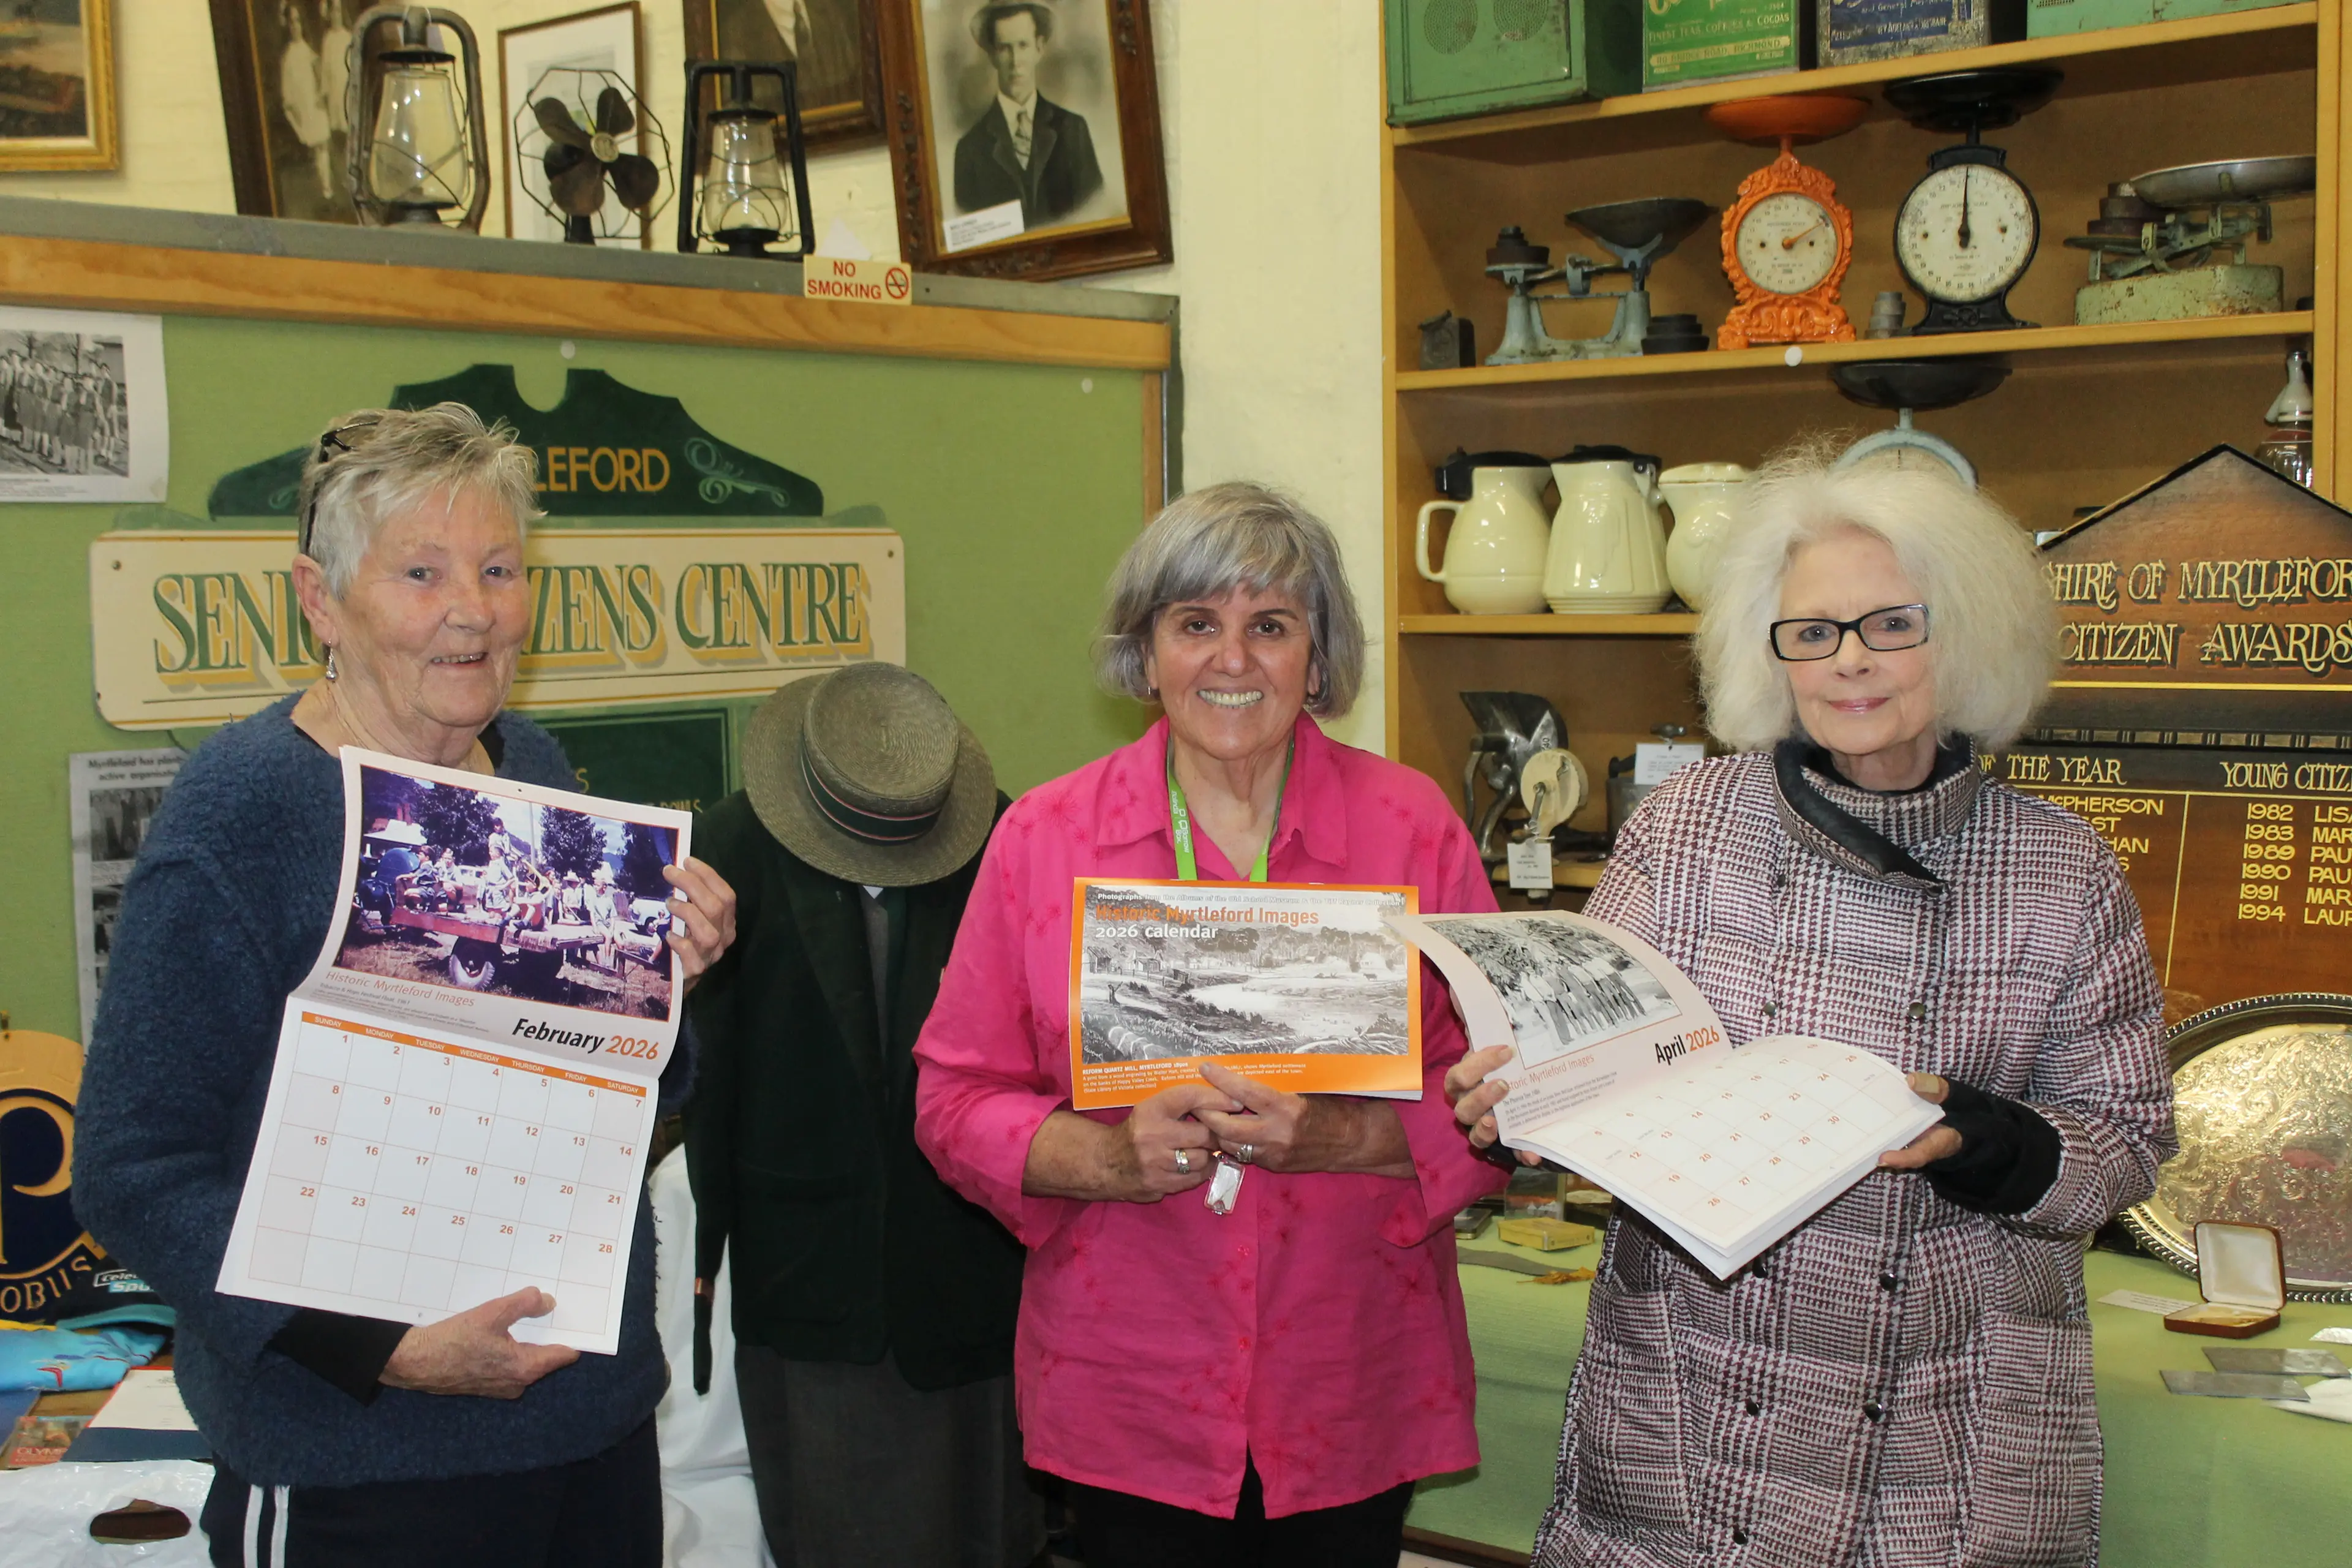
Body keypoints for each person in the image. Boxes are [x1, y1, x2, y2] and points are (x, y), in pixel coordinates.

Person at [1446, 451, 2175, 1568]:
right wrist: (1521, 1096)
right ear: (1767, 651)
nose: (1848, 663)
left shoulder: (2059, 869)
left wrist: (1984, 1142)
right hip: (1693, 1404)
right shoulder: (1683, 829)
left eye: (1891, 625)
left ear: (1968, 631)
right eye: (1812, 632)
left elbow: (2125, 1143)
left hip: (1948, 1429)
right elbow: (1604, 1055)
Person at [74, 403, 739, 1568]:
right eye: (422, 573)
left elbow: (607, 1090)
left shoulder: (530, 771)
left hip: (589, 1430)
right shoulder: (243, 815)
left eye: (496, 569)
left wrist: (670, 980)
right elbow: (134, 1171)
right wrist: (372, 1342)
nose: (472, 610)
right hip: (355, 1459)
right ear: (321, 602)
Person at [914, 482, 1506, 1567]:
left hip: (1349, 1381)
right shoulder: (1044, 837)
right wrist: (1105, 1155)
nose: (1233, 661)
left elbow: (1512, 1091)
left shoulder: (1412, 830)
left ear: (1317, 662)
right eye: (1197, 626)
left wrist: (1345, 1138)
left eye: (1270, 627)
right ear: (1145, 657)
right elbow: (953, 1100)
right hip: (1129, 1385)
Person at [687, 662, 1039, 1568]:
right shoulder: (727, 849)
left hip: (978, 1274)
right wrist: (707, 1248)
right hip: (807, 1275)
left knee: (992, 1527)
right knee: (835, 1530)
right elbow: (703, 1064)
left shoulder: (1009, 845)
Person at [952, 1, 1103, 227]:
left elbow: (1095, 214)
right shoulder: (970, 150)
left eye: (1023, 45)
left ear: (1039, 49)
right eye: (1005, 48)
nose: (1015, 62)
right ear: (992, 55)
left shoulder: (1073, 130)